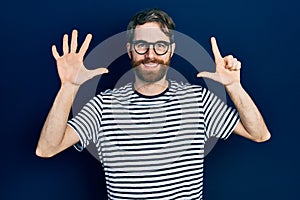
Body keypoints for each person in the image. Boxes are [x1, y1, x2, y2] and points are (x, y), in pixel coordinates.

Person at [36, 8, 271, 200]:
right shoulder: (103, 106)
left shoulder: (198, 100)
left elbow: (259, 133)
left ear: (171, 50)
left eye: (160, 45)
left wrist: (234, 86)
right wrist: (68, 87)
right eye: (141, 45)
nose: (150, 54)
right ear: (130, 50)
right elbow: (47, 148)